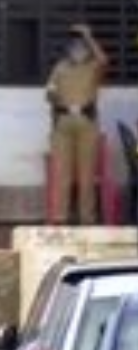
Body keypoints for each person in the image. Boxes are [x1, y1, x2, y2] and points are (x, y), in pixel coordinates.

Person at [46, 23, 108, 225]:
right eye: (74, 43)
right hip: (63, 122)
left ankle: (87, 219)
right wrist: (53, 95)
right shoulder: (60, 67)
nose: (78, 48)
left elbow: (104, 60)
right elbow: (49, 91)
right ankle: (60, 218)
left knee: (86, 175)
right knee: (62, 174)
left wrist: (89, 36)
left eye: (82, 44)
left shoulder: (92, 67)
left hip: (86, 121)